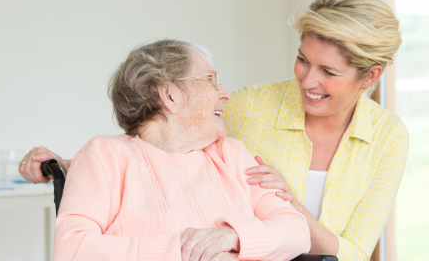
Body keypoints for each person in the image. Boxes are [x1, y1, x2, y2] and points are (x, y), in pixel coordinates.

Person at [19, 0, 408, 260]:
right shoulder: (247, 110)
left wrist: (236, 235)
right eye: (303, 60)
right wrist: (71, 165)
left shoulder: (232, 152)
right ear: (170, 95)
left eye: (328, 71)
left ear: (370, 76)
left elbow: (337, 246)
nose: (307, 80)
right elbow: (155, 140)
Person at [46, 39, 310, 261]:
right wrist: (187, 250)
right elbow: (73, 248)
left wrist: (231, 237)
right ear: (170, 95)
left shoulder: (231, 154)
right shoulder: (105, 156)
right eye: (212, 81)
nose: (225, 94)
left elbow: (297, 231)